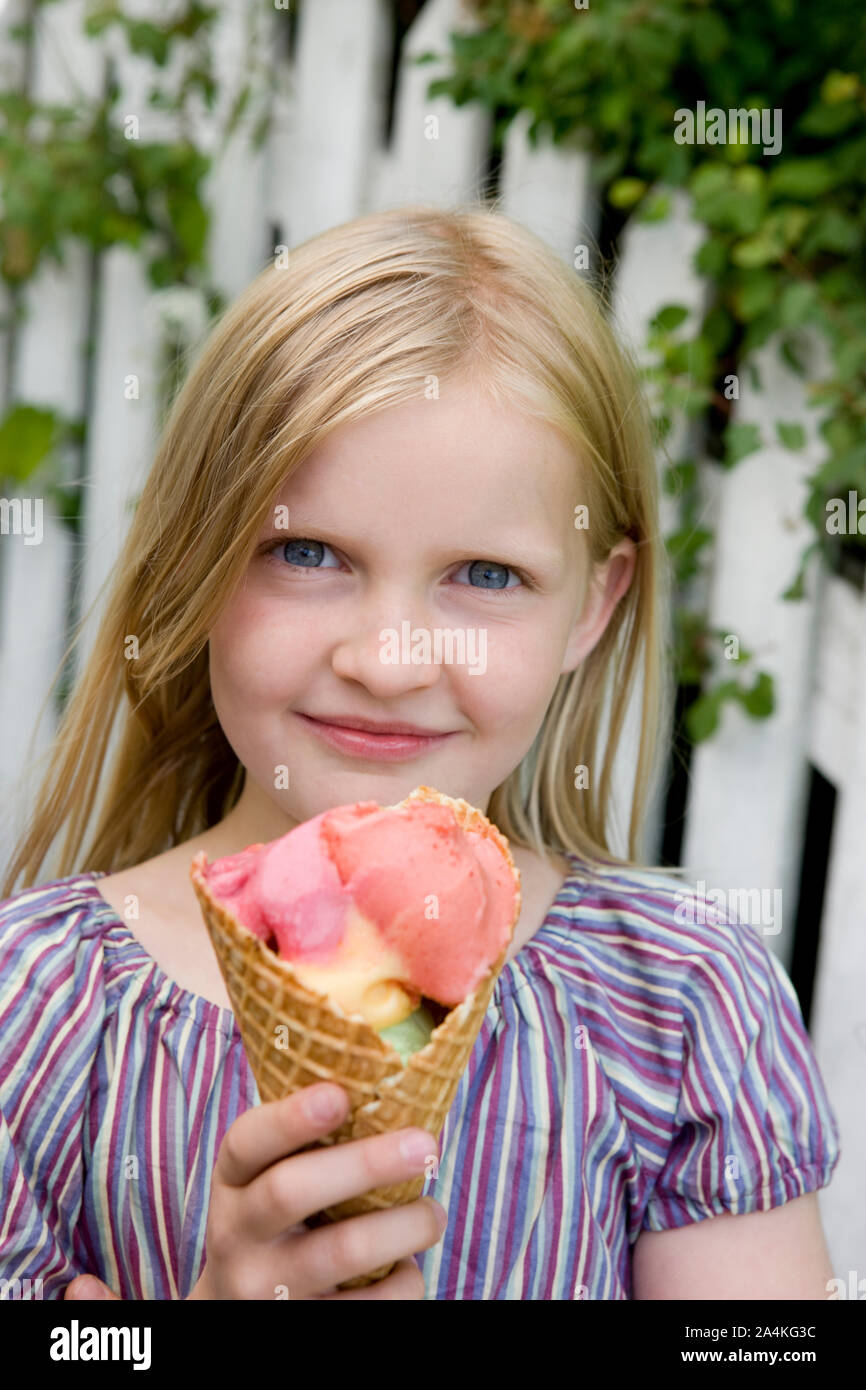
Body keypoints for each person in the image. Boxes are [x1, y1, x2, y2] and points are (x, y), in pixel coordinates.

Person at [0, 204, 840, 1301]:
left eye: (485, 576)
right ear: (196, 559)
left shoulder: (680, 1007)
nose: (390, 660)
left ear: (592, 605)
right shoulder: (38, 1013)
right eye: (306, 552)